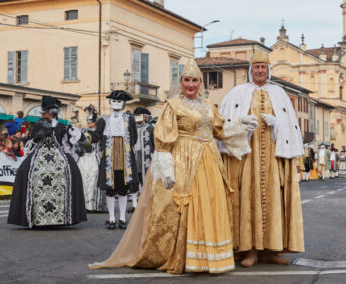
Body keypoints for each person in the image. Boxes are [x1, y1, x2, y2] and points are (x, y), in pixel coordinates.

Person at [89, 58, 257, 274]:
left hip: (208, 159)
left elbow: (220, 130)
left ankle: (209, 256)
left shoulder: (207, 105)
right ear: (181, 82)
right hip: (182, 159)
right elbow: (163, 140)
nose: (191, 85)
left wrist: (241, 124)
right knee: (182, 206)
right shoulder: (172, 106)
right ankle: (185, 256)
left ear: (200, 83)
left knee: (210, 203)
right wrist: (166, 168)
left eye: (194, 81)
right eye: (187, 80)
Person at [219, 50, 305, 267]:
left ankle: (272, 249)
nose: (260, 70)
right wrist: (242, 125)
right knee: (247, 200)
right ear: (251, 70)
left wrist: (277, 124)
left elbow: (290, 126)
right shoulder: (238, 93)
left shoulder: (279, 94)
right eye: (256, 67)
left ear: (268, 70)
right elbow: (225, 125)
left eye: (263, 67)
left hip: (274, 159)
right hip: (247, 158)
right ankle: (249, 250)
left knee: (275, 201)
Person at [7, 96, 87, 228]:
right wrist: (37, 136)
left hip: (59, 155)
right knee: (23, 172)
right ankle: (34, 217)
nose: (43, 115)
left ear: (52, 113)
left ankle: (64, 216)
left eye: (45, 112)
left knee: (73, 171)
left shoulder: (62, 126)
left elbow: (68, 144)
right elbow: (30, 143)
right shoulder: (38, 125)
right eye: (42, 113)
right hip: (39, 155)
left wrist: (76, 136)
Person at [88, 90, 140, 230]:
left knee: (123, 189)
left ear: (123, 104)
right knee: (110, 189)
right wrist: (86, 137)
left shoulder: (129, 120)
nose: (116, 104)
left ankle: (122, 218)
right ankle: (111, 218)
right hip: (109, 161)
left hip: (125, 160)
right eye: (114, 101)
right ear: (110, 103)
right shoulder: (103, 120)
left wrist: (124, 148)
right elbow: (97, 136)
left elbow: (134, 138)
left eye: (119, 101)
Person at [76, 105, 106, 212]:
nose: (89, 123)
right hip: (84, 158)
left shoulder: (99, 133)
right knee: (83, 179)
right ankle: (84, 205)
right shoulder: (83, 131)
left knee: (94, 179)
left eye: (91, 121)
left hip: (94, 158)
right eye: (88, 121)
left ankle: (95, 205)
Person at [129, 107, 155, 213]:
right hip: (133, 157)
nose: (137, 118)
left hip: (146, 158)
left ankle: (145, 203)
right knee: (133, 182)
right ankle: (134, 204)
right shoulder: (130, 129)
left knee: (146, 181)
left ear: (144, 117)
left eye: (139, 116)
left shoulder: (151, 129)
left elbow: (155, 144)